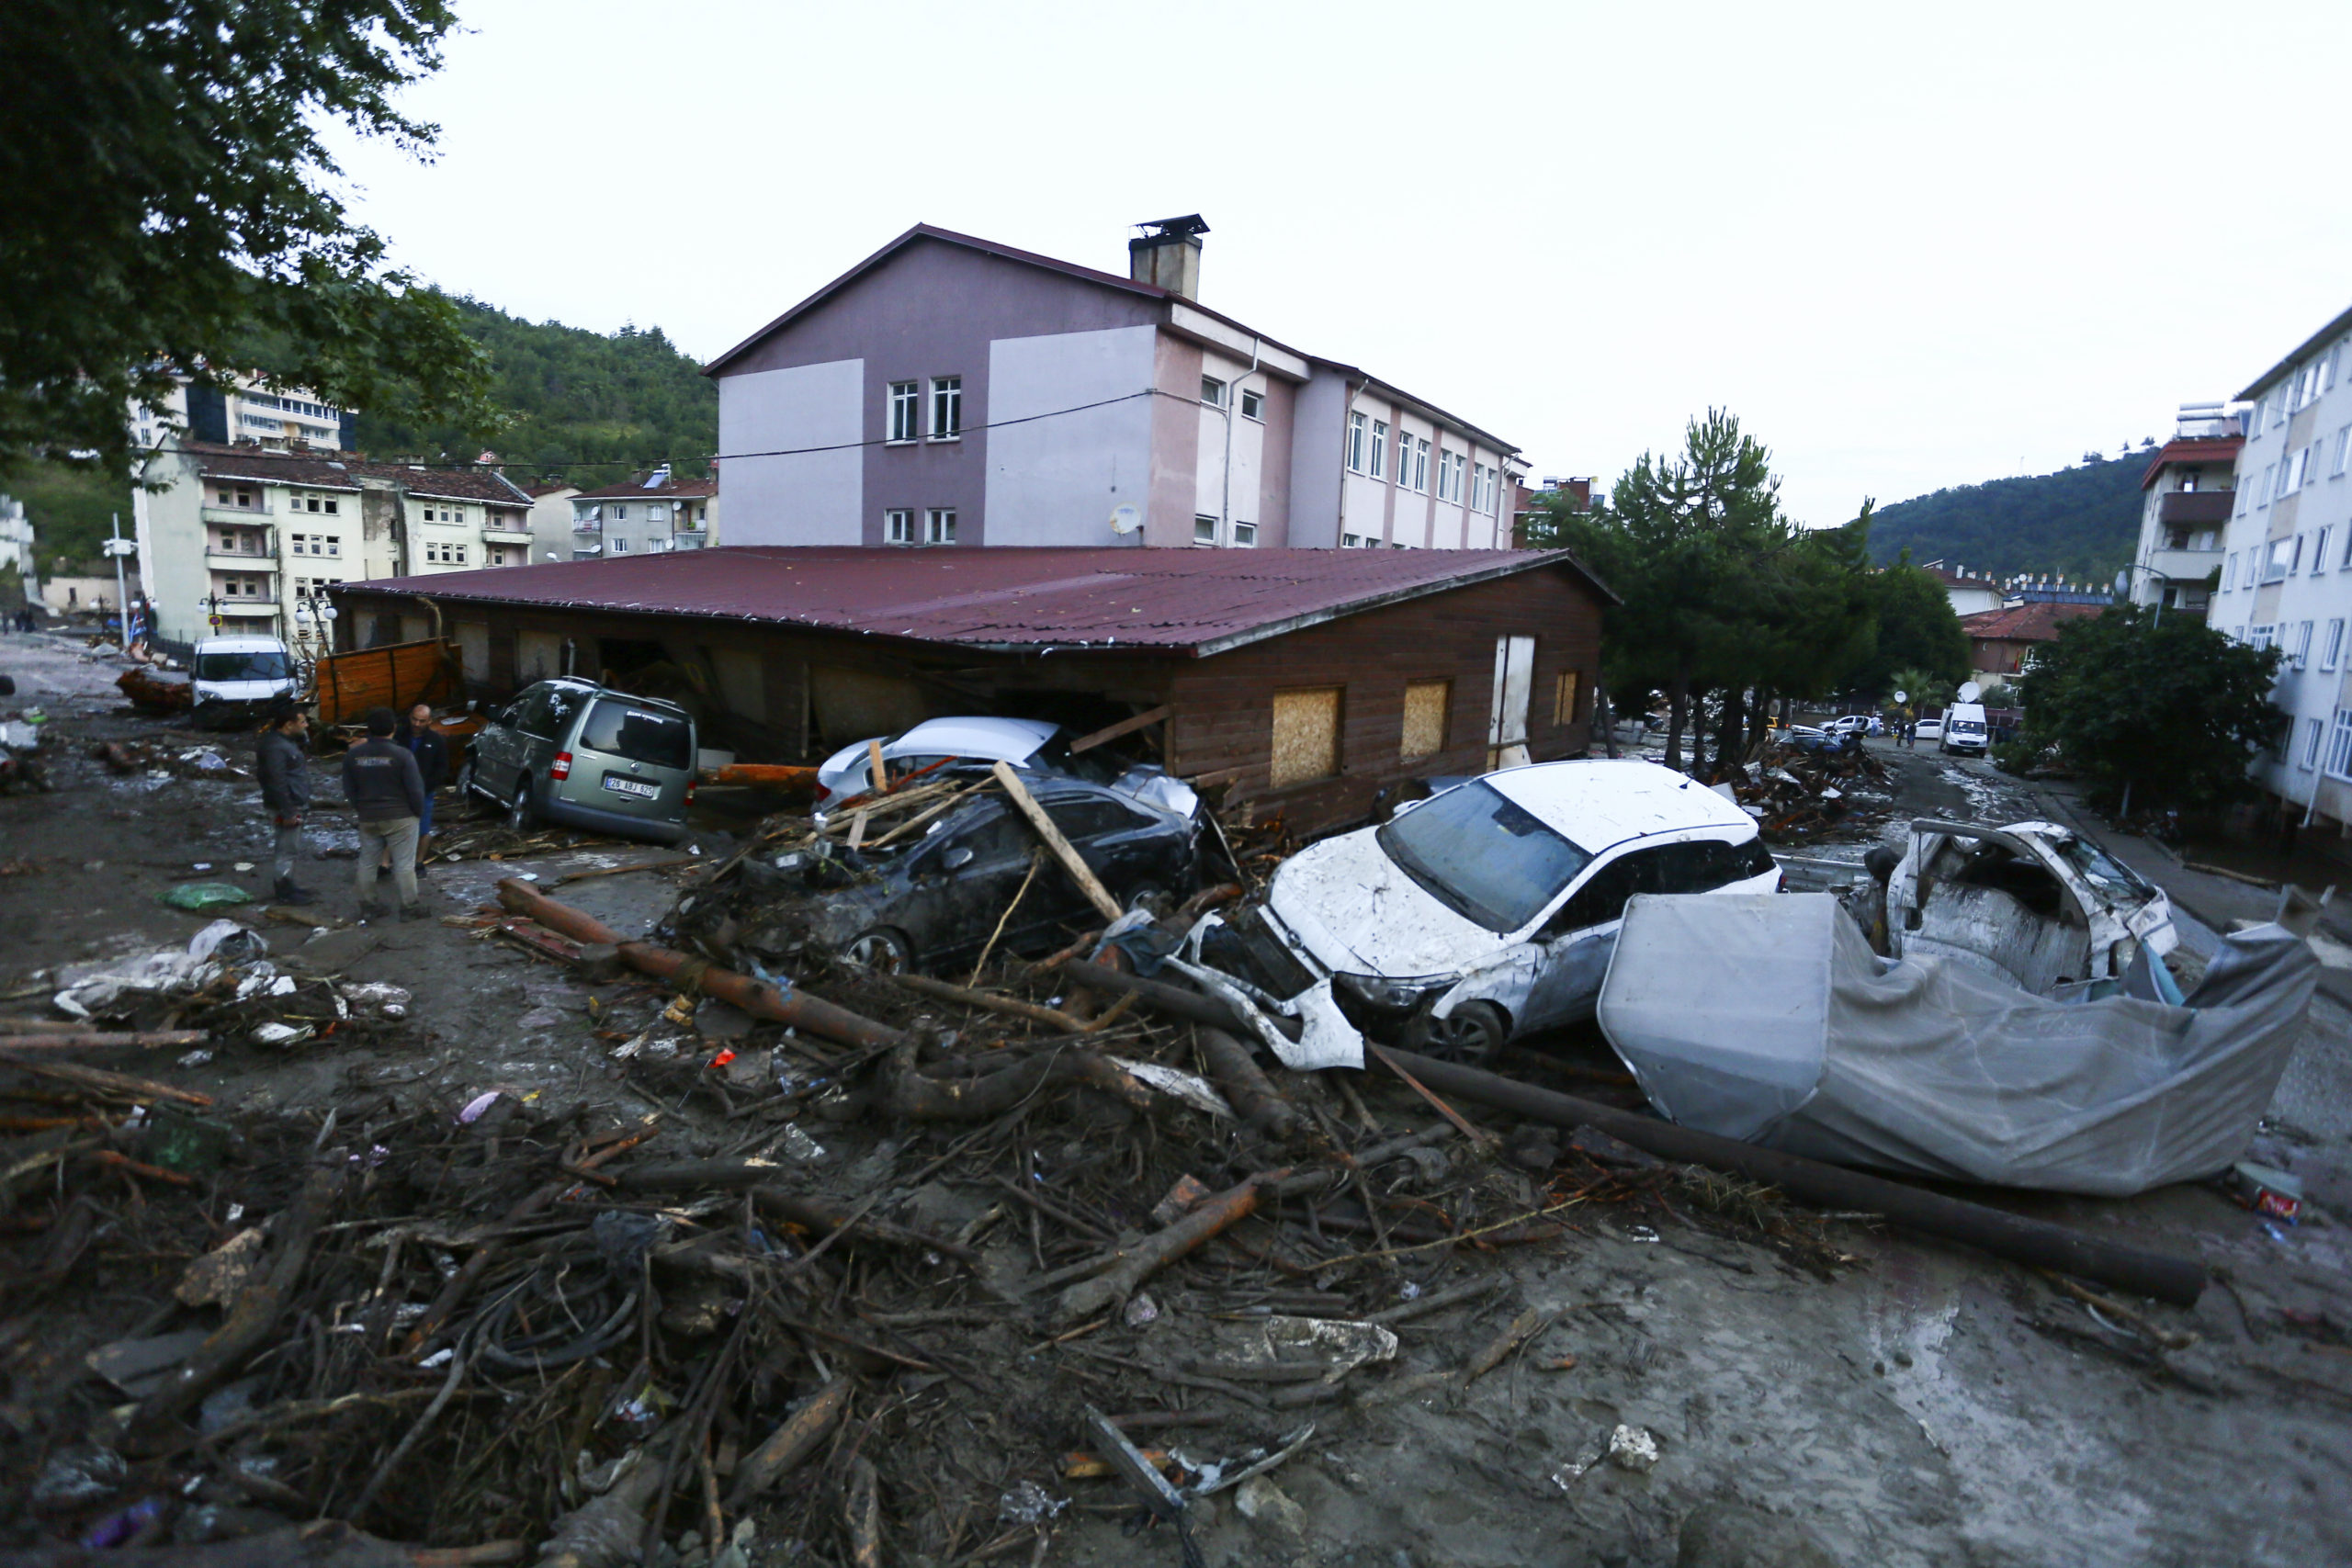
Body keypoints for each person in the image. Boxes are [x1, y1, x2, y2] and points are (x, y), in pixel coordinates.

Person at [344, 705, 428, 920]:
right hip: (401, 817)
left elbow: (349, 789)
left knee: (367, 863)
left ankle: (368, 906)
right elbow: (416, 790)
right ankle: (409, 907)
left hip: (369, 817)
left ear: (368, 729)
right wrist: (417, 813)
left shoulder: (354, 755)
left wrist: (362, 808)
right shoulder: (402, 755)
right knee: (404, 865)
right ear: (393, 727)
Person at [254, 698, 316, 904]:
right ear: (288, 725)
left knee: (290, 848)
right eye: (303, 722)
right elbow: (276, 780)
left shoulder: (283, 742)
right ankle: (284, 891)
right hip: (287, 805)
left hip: (291, 802)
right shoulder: (276, 747)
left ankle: (288, 884)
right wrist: (288, 811)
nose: (306, 725)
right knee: (286, 849)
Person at [395, 703, 450, 857]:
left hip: (424, 791)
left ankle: (419, 862)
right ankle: (388, 861)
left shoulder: (437, 741)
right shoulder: (399, 735)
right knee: (394, 827)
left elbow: (442, 768)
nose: (417, 724)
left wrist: (426, 786)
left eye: (422, 721)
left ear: (429, 721)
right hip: (399, 791)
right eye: (414, 719)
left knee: (423, 829)